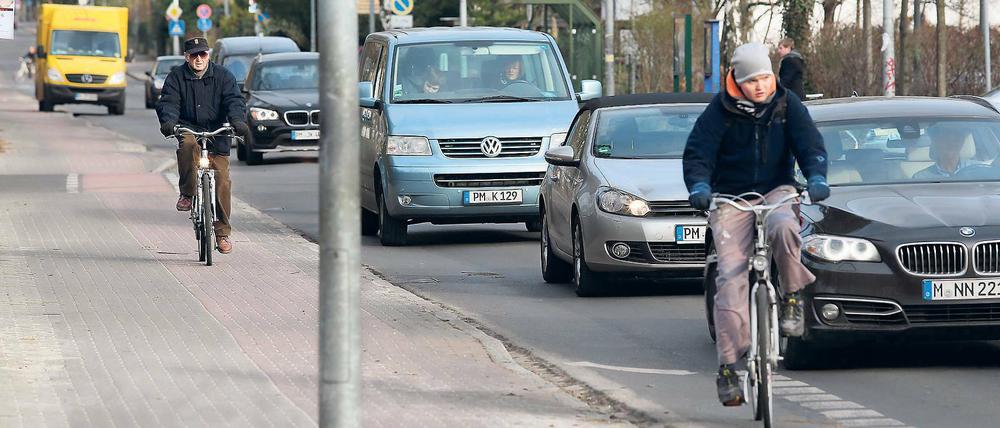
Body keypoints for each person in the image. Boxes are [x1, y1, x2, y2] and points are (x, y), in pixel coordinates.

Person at [682, 42, 829, 406]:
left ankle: (792, 295)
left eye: (765, 77)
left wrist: (816, 176)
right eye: (752, 81)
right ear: (738, 80)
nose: (760, 86)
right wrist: (699, 186)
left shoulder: (785, 103)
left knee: (784, 227)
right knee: (730, 276)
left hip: (776, 190)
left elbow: (810, 144)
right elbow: (698, 153)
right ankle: (730, 368)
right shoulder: (719, 110)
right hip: (731, 198)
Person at [156, 37, 249, 255]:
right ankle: (187, 194)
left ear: (209, 55)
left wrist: (237, 121)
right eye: (194, 55)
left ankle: (222, 233)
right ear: (187, 57)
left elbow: (234, 101)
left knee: (222, 179)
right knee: (187, 145)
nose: (199, 59)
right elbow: (168, 102)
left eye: (203, 54)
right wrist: (169, 122)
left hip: (218, 131)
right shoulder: (176, 77)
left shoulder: (223, 76)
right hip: (189, 127)